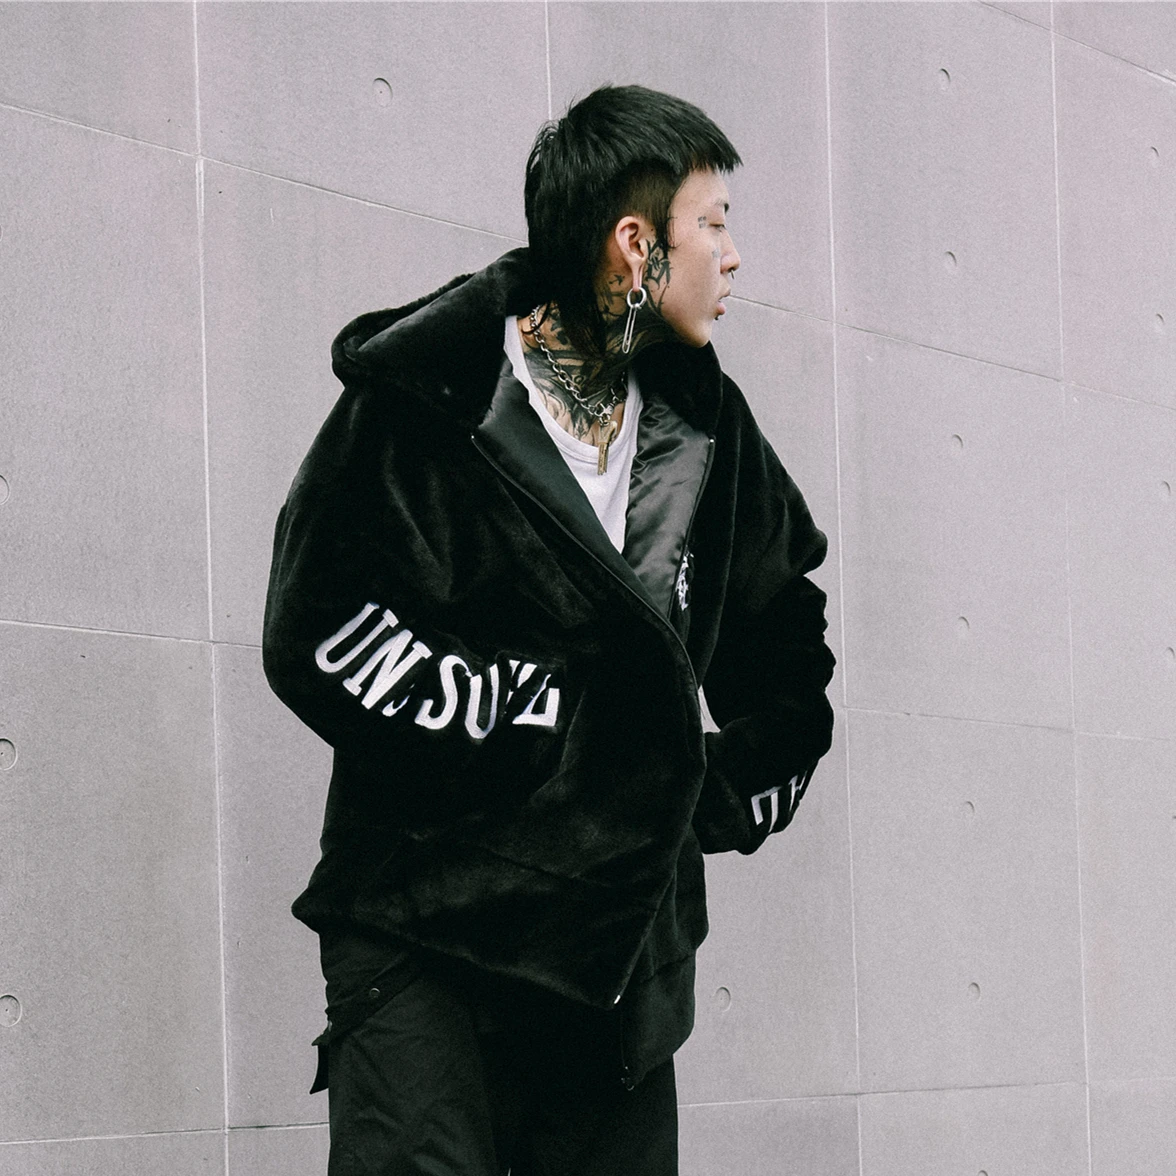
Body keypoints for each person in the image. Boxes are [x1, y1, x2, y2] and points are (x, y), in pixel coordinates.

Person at [263, 84, 835, 1176]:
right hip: (425, 933)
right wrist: (542, 723)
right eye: (713, 224)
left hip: (614, 962)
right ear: (636, 245)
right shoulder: (430, 396)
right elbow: (315, 628)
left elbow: (784, 643)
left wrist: (706, 789)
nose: (734, 257)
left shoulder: (708, 430)